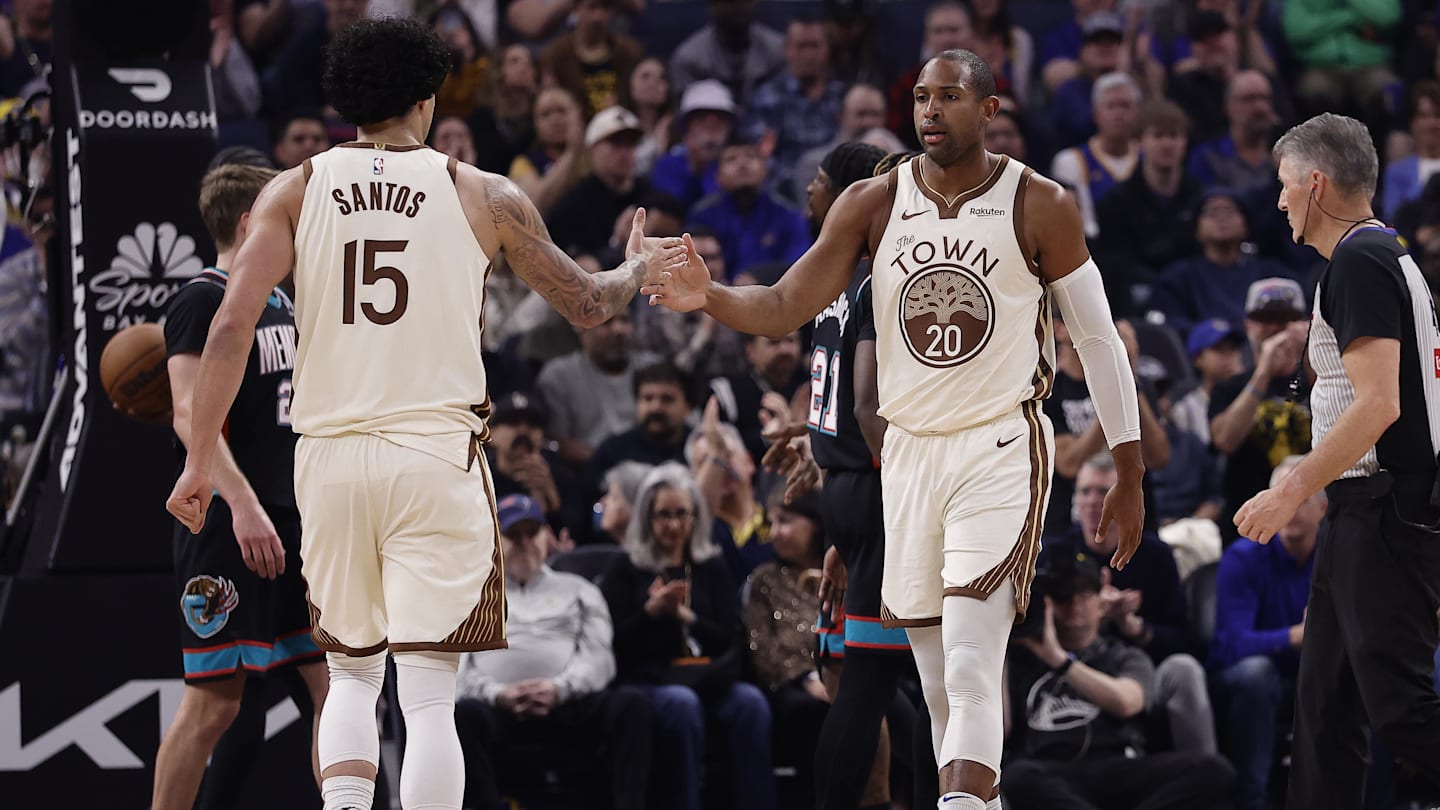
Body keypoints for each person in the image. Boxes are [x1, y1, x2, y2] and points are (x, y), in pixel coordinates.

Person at [165, 17, 685, 810]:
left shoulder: (295, 188)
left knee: (347, 674)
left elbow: (232, 325)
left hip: (330, 459)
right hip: (435, 456)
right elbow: (585, 304)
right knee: (430, 694)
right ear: (428, 97)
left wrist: (201, 460)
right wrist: (635, 267)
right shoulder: (481, 192)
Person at [645, 47, 1146, 810]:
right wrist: (705, 294)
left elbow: (1101, 340)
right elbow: (785, 304)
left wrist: (1129, 468)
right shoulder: (873, 203)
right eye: (920, 97)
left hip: (1000, 444)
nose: (930, 111)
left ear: (990, 110)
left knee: (975, 660)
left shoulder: (1038, 202)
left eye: (949, 96)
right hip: (907, 459)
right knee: (941, 678)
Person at [1235, 112, 1440, 810]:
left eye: (1285, 184)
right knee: (1325, 707)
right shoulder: (1386, 254)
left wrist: (1291, 487)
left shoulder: (1360, 259)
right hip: (1365, 507)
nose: (1280, 199)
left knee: (1401, 710)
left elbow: (1379, 404)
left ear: (1316, 183)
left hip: (1386, 508)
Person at [152, 163, 329, 810]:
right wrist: (245, 504)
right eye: (290, 214)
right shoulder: (202, 298)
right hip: (232, 519)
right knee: (214, 703)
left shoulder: (283, 300)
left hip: (298, 518)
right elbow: (186, 411)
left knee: (337, 685)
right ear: (254, 222)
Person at [454, 494, 653, 810]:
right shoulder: (470, 597)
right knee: (463, 714)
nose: (524, 543)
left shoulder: (579, 589)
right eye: (512, 535)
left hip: (569, 704)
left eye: (531, 533)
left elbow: (599, 658)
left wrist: (560, 688)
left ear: (546, 537)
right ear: (494, 539)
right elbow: (459, 671)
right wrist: (497, 693)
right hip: (499, 709)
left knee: (630, 705)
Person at [601, 463, 779, 810]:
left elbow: (728, 636)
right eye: (663, 515)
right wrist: (650, 614)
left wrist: (688, 617)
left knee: (752, 704)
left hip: (708, 677)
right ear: (647, 518)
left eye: (682, 514)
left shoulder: (710, 566)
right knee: (682, 705)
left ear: (695, 516)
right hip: (650, 680)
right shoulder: (626, 567)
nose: (673, 525)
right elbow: (613, 642)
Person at [1002, 550, 1237, 810]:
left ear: (1101, 599)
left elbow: (1127, 702)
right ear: (1047, 603)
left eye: (1085, 593)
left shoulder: (1124, 655)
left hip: (1118, 766)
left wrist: (1059, 659)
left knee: (1213, 771)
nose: (1075, 603)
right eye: (1063, 595)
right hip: (1051, 771)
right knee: (1015, 777)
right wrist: (999, 649)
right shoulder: (1019, 660)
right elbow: (1002, 728)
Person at [1211, 455, 1318, 810]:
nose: (1290, 510)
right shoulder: (1244, 556)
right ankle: (1251, 799)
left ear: (1323, 507)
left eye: (1300, 500)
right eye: (1280, 496)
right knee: (1258, 675)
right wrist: (1296, 636)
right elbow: (1229, 644)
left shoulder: (1336, 557)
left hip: (1313, 677)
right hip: (1249, 681)